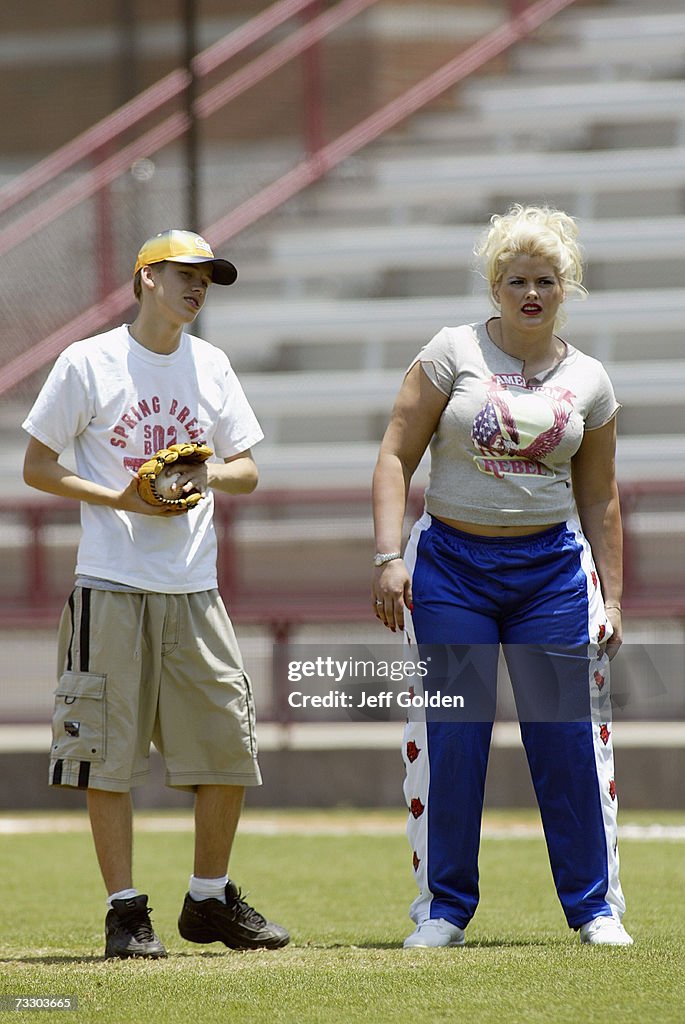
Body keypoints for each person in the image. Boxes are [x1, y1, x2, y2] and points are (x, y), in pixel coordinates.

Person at [22, 229, 289, 959]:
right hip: (111, 583)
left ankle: (208, 899)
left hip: (194, 588)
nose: (198, 287)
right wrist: (120, 498)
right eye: (184, 274)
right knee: (106, 756)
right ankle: (124, 912)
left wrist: (204, 477)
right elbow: (37, 466)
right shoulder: (90, 361)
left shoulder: (212, 365)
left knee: (227, 746)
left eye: (208, 278)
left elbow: (247, 468)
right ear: (146, 278)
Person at [371, 205, 633, 948]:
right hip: (450, 569)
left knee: (566, 738)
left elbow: (598, 494)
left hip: (550, 575)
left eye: (544, 279)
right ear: (494, 285)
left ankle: (593, 910)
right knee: (453, 736)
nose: (529, 291)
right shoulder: (451, 350)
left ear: (564, 288)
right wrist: (388, 557)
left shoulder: (589, 379)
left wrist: (611, 596)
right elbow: (394, 454)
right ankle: (443, 910)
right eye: (515, 278)